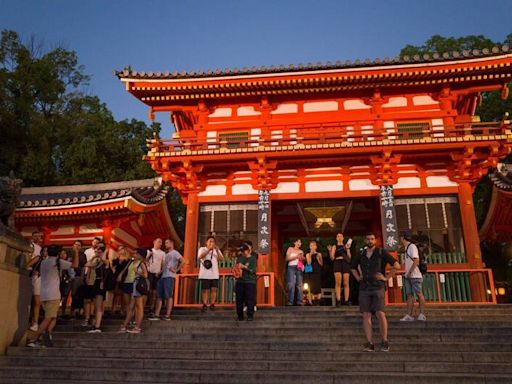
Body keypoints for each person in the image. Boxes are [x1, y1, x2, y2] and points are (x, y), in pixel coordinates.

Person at [350, 232, 400, 352]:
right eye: (368, 239)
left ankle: (384, 340)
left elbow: (397, 265)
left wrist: (386, 278)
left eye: (372, 239)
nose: (370, 241)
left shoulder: (381, 252)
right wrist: (358, 277)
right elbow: (352, 267)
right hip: (364, 287)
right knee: (366, 314)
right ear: (365, 241)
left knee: (380, 313)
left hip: (378, 286)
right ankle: (369, 342)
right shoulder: (361, 253)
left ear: (375, 241)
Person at [27, 244, 73, 348]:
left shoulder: (44, 262)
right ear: (58, 253)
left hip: (44, 294)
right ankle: (34, 338)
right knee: (48, 317)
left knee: (53, 316)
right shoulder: (57, 262)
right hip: (53, 294)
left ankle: (47, 334)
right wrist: (75, 252)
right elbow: (74, 265)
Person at [150, 239, 184, 320]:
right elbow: (165, 266)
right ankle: (156, 314)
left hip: (170, 276)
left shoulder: (175, 252)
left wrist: (176, 270)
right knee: (159, 296)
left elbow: (183, 260)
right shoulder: (166, 254)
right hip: (163, 276)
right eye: (165, 243)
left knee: (168, 296)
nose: (165, 244)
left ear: (172, 243)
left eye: (167, 243)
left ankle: (168, 315)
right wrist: (160, 272)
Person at [120, 248, 149, 334]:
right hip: (135, 283)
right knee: (132, 306)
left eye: (136, 254)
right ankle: (125, 325)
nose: (134, 255)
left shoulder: (141, 263)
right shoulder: (133, 262)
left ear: (140, 255)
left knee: (139, 307)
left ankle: (137, 327)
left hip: (139, 283)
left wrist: (137, 272)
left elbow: (146, 275)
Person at [399, 230, 426, 322]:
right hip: (408, 275)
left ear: (403, 238)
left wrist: (410, 272)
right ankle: (409, 315)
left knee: (419, 293)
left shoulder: (412, 247)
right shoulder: (407, 248)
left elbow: (416, 260)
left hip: (415, 275)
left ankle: (422, 314)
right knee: (409, 295)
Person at [84, 241, 109, 333]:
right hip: (96, 282)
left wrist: (102, 254)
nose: (97, 253)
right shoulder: (96, 261)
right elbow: (87, 264)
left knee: (99, 305)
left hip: (101, 283)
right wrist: (94, 257)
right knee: (95, 304)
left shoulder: (106, 261)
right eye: (96, 251)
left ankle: (97, 326)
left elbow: (106, 262)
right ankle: (95, 324)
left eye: (99, 252)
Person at [197, 236, 224, 312]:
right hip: (204, 273)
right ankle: (205, 304)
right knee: (204, 290)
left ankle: (212, 304)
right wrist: (209, 249)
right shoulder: (202, 249)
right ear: (206, 242)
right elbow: (200, 257)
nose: (212, 243)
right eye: (210, 241)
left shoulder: (216, 250)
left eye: (213, 241)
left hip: (214, 273)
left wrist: (218, 250)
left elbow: (221, 259)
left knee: (214, 289)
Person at [26, 245, 47, 331]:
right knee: (36, 302)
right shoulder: (39, 258)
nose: (46, 253)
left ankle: (37, 322)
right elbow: (27, 265)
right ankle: (34, 322)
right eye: (44, 251)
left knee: (41, 303)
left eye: (47, 251)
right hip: (37, 280)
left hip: (47, 283)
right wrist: (33, 271)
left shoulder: (52, 261)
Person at [328, 233, 352, 306]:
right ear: (336, 238)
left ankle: (346, 300)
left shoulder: (346, 246)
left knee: (346, 283)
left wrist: (347, 249)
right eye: (338, 236)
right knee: (338, 282)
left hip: (345, 263)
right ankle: (338, 300)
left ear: (343, 238)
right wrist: (330, 251)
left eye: (341, 236)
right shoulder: (334, 246)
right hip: (337, 263)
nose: (339, 237)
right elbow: (332, 258)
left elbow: (349, 257)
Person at [235, 243, 257, 321]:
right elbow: (236, 268)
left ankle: (250, 315)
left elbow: (253, 270)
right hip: (240, 281)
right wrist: (236, 271)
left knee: (250, 299)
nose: (242, 252)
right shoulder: (240, 258)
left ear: (248, 250)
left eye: (244, 251)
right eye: (241, 251)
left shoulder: (253, 258)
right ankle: (240, 315)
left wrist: (244, 267)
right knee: (239, 299)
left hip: (250, 281)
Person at [147, 238, 165, 315]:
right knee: (149, 290)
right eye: (159, 242)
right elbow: (144, 260)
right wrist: (149, 256)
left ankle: (152, 306)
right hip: (149, 272)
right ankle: (148, 305)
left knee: (155, 291)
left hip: (157, 273)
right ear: (154, 242)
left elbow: (163, 264)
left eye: (161, 242)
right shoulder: (149, 251)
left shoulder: (163, 253)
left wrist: (161, 271)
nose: (160, 244)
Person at [70, 240, 87, 318]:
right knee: (69, 295)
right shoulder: (70, 253)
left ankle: (78, 311)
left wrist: (82, 277)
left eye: (79, 245)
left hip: (78, 276)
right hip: (68, 277)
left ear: (81, 247)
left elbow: (83, 267)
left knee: (78, 294)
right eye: (75, 244)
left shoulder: (83, 255)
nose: (77, 246)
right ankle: (72, 311)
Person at [286, 239, 305, 306]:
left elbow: (302, 261)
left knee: (299, 285)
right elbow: (287, 258)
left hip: (299, 267)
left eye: (300, 242)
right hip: (291, 267)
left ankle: (299, 301)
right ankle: (290, 301)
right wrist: (296, 257)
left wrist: (302, 258)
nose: (299, 243)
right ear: (294, 242)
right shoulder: (290, 249)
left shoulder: (301, 251)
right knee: (291, 284)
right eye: (297, 242)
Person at [304, 240, 323, 305]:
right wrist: (310, 254)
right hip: (311, 271)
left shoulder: (319, 254)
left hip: (317, 270)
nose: (312, 247)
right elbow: (309, 263)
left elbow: (321, 264)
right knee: (311, 286)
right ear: (309, 247)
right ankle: (311, 301)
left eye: (314, 245)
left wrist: (318, 259)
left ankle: (318, 300)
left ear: (316, 247)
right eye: (311, 245)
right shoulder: (307, 254)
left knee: (318, 286)